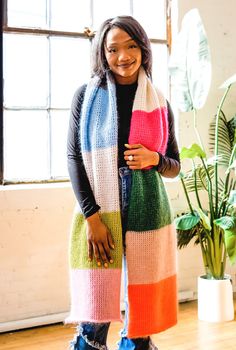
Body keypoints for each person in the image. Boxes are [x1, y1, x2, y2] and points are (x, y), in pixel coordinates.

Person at [66, 15, 180, 350]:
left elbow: (174, 166)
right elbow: (73, 159)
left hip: (147, 208)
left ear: (143, 49)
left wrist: (154, 160)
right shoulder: (85, 97)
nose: (122, 56)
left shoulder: (159, 101)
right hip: (100, 207)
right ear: (102, 53)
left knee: (141, 304)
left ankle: (137, 343)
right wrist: (91, 218)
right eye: (113, 49)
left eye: (131, 46)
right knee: (95, 305)